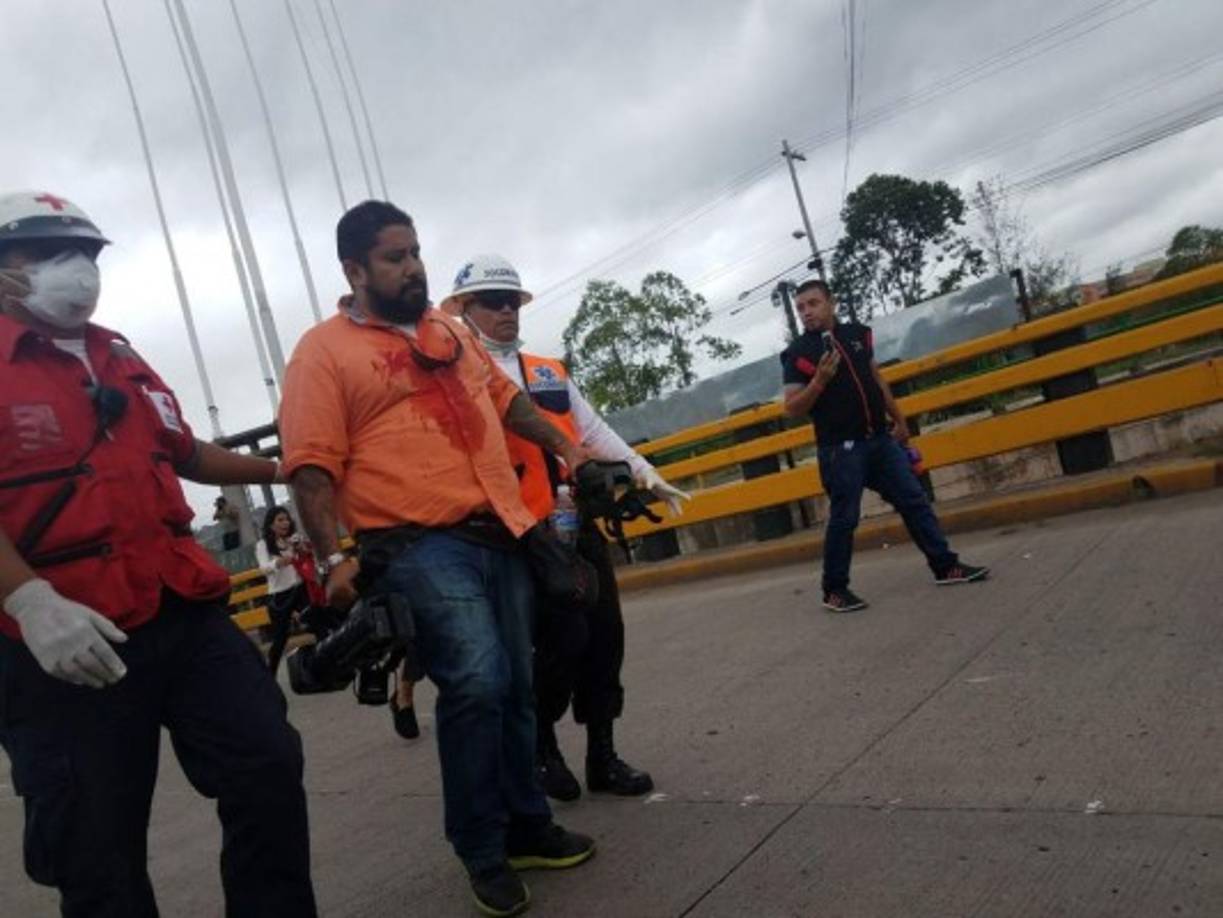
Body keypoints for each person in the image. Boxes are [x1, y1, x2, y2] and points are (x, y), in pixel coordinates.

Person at [0, 190, 317, 916]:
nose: (75, 267)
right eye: (48, 252)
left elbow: (185, 452)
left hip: (180, 606)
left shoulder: (118, 353)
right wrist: (28, 599)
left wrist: (282, 468)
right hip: (65, 637)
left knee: (265, 763)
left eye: (86, 252)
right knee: (95, 845)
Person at [279, 201, 596, 917]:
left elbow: (506, 400)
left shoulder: (448, 332)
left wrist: (566, 447)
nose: (413, 267)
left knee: (516, 684)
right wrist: (331, 560)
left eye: (415, 251)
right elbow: (310, 465)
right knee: (477, 680)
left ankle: (527, 826)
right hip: (415, 542)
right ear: (355, 271)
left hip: (501, 527)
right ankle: (482, 848)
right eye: (394, 257)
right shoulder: (322, 353)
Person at [439, 253, 690, 802]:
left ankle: (603, 754)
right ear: (463, 310)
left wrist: (644, 471)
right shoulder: (458, 378)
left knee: (604, 637)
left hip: (575, 522)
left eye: (513, 301)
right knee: (557, 643)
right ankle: (542, 746)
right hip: (517, 535)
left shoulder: (547, 370)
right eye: (493, 302)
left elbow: (591, 428)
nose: (507, 311)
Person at [780, 279, 989, 612]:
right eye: (801, 307)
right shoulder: (798, 354)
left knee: (914, 500)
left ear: (831, 303)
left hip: (879, 440)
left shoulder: (857, 335)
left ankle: (945, 566)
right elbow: (791, 408)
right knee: (844, 519)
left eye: (813, 303)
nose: (807, 312)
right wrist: (819, 381)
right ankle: (834, 591)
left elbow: (876, 379)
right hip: (840, 450)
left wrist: (900, 420)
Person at [255, 505, 319, 677]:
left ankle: (324, 663)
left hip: (300, 589)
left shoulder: (294, 539)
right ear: (271, 524)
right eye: (280, 520)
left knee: (317, 621)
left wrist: (303, 549)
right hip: (280, 596)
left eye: (287, 519)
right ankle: (270, 675)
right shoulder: (263, 544)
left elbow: (308, 556)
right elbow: (263, 568)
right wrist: (278, 563)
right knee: (280, 638)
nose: (285, 523)